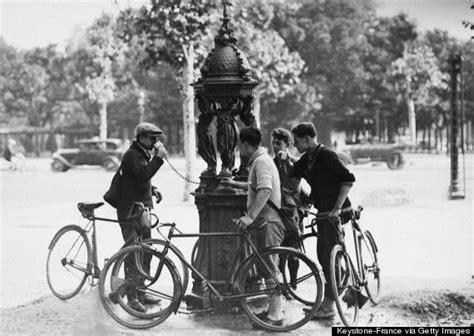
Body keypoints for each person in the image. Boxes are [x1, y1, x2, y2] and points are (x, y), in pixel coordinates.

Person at [290, 122, 355, 319]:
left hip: (337, 211)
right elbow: (293, 173)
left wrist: (336, 209)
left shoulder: (326, 155)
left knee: (329, 257)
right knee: (322, 256)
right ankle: (329, 299)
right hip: (322, 212)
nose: (295, 145)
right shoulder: (308, 158)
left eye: (296, 142)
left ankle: (330, 305)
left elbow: (348, 179)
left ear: (308, 139)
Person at [222, 126, 286, 328]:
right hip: (265, 221)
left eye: (240, 145)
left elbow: (265, 190)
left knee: (270, 268)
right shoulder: (260, 160)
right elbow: (255, 187)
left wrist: (250, 216)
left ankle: (276, 316)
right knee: (268, 267)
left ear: (246, 145)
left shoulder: (261, 162)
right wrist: (233, 184)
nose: (239, 149)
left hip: (268, 221)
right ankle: (273, 311)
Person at [117, 122, 167, 313]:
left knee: (146, 250)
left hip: (142, 209)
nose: (156, 142)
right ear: (142, 138)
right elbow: (142, 174)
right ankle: (131, 298)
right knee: (132, 252)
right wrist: (159, 159)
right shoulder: (132, 155)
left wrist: (152, 190)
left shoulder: (142, 154)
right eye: (152, 138)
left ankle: (141, 290)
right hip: (130, 211)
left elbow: (139, 179)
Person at [270, 127, 305, 289]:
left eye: (278, 143)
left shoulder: (294, 162)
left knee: (293, 252)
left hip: (292, 211)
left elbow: (295, 183)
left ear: (288, 144)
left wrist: (287, 162)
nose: (275, 146)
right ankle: (281, 284)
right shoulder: (271, 163)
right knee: (279, 251)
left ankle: (293, 284)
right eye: (273, 143)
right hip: (278, 210)